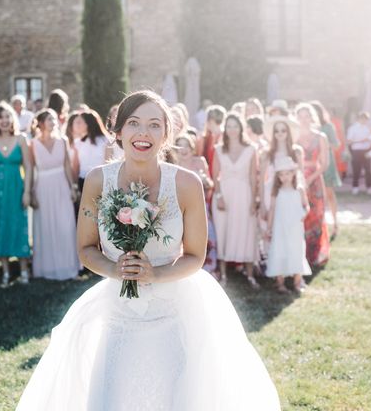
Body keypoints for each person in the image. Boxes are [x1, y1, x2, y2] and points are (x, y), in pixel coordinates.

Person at [16, 89, 280, 411]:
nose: (143, 133)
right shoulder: (98, 181)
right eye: (134, 123)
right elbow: (86, 249)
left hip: (172, 312)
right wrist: (115, 269)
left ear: (167, 134)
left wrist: (156, 273)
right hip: (119, 313)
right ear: (118, 131)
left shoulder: (186, 184)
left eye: (155, 125)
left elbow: (195, 256)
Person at [0, 102, 32, 286]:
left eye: (7, 116)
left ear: (13, 118)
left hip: (16, 189)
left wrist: (27, 191)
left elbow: (28, 167)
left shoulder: (21, 139)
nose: (4, 120)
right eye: (0, 117)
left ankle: (24, 270)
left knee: (18, 225)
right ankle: (6, 272)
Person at [30, 109, 80, 280]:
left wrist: (72, 186)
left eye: (54, 119)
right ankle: (47, 269)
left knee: (65, 226)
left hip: (61, 184)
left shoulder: (63, 141)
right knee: (45, 226)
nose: (53, 122)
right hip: (42, 187)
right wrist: (31, 192)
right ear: (41, 123)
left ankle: (68, 267)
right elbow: (31, 169)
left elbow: (67, 165)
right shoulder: (33, 144)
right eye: (49, 119)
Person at [211, 113, 260, 288]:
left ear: (241, 128)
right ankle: (223, 275)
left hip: (244, 194)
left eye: (235, 126)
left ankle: (250, 275)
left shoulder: (251, 149)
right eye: (229, 126)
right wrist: (218, 196)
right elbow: (215, 176)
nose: (232, 129)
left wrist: (255, 200)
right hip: (224, 196)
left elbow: (254, 177)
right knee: (223, 231)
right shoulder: (218, 149)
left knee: (246, 230)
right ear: (225, 128)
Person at [265, 156, 311, 294]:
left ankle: (297, 281)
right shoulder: (276, 192)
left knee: (296, 249)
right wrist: (269, 227)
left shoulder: (299, 189)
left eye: (287, 173)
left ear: (293, 173)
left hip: (295, 226)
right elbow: (272, 210)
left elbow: (306, 206)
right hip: (280, 226)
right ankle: (280, 283)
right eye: (281, 174)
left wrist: (304, 214)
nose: (284, 177)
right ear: (278, 176)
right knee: (280, 249)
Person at [174, 133, 217, 274]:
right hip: (180, 208)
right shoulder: (173, 165)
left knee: (205, 237)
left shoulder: (200, 162)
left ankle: (208, 267)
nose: (183, 149)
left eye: (186, 145)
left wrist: (205, 181)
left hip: (201, 205)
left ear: (192, 148)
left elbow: (210, 185)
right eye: (180, 145)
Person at [296, 103, 331, 267]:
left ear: (312, 117)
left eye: (306, 116)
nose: (304, 120)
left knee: (316, 215)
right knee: (299, 216)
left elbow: (324, 164)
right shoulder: (294, 136)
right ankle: (299, 255)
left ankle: (313, 255)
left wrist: (311, 179)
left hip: (315, 179)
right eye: (300, 116)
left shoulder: (320, 137)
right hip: (296, 178)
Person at [311, 101, 342, 239]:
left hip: (326, 162)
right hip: (312, 162)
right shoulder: (308, 127)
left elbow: (336, 144)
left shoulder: (327, 127)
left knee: (329, 193)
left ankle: (335, 222)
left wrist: (322, 145)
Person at [346, 111, 371, 194]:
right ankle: (355, 187)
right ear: (359, 119)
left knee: (368, 170)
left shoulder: (368, 128)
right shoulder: (353, 128)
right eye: (363, 119)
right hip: (357, 151)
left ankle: (369, 187)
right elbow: (349, 141)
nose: (364, 121)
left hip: (366, 150)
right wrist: (360, 140)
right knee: (356, 170)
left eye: (366, 119)